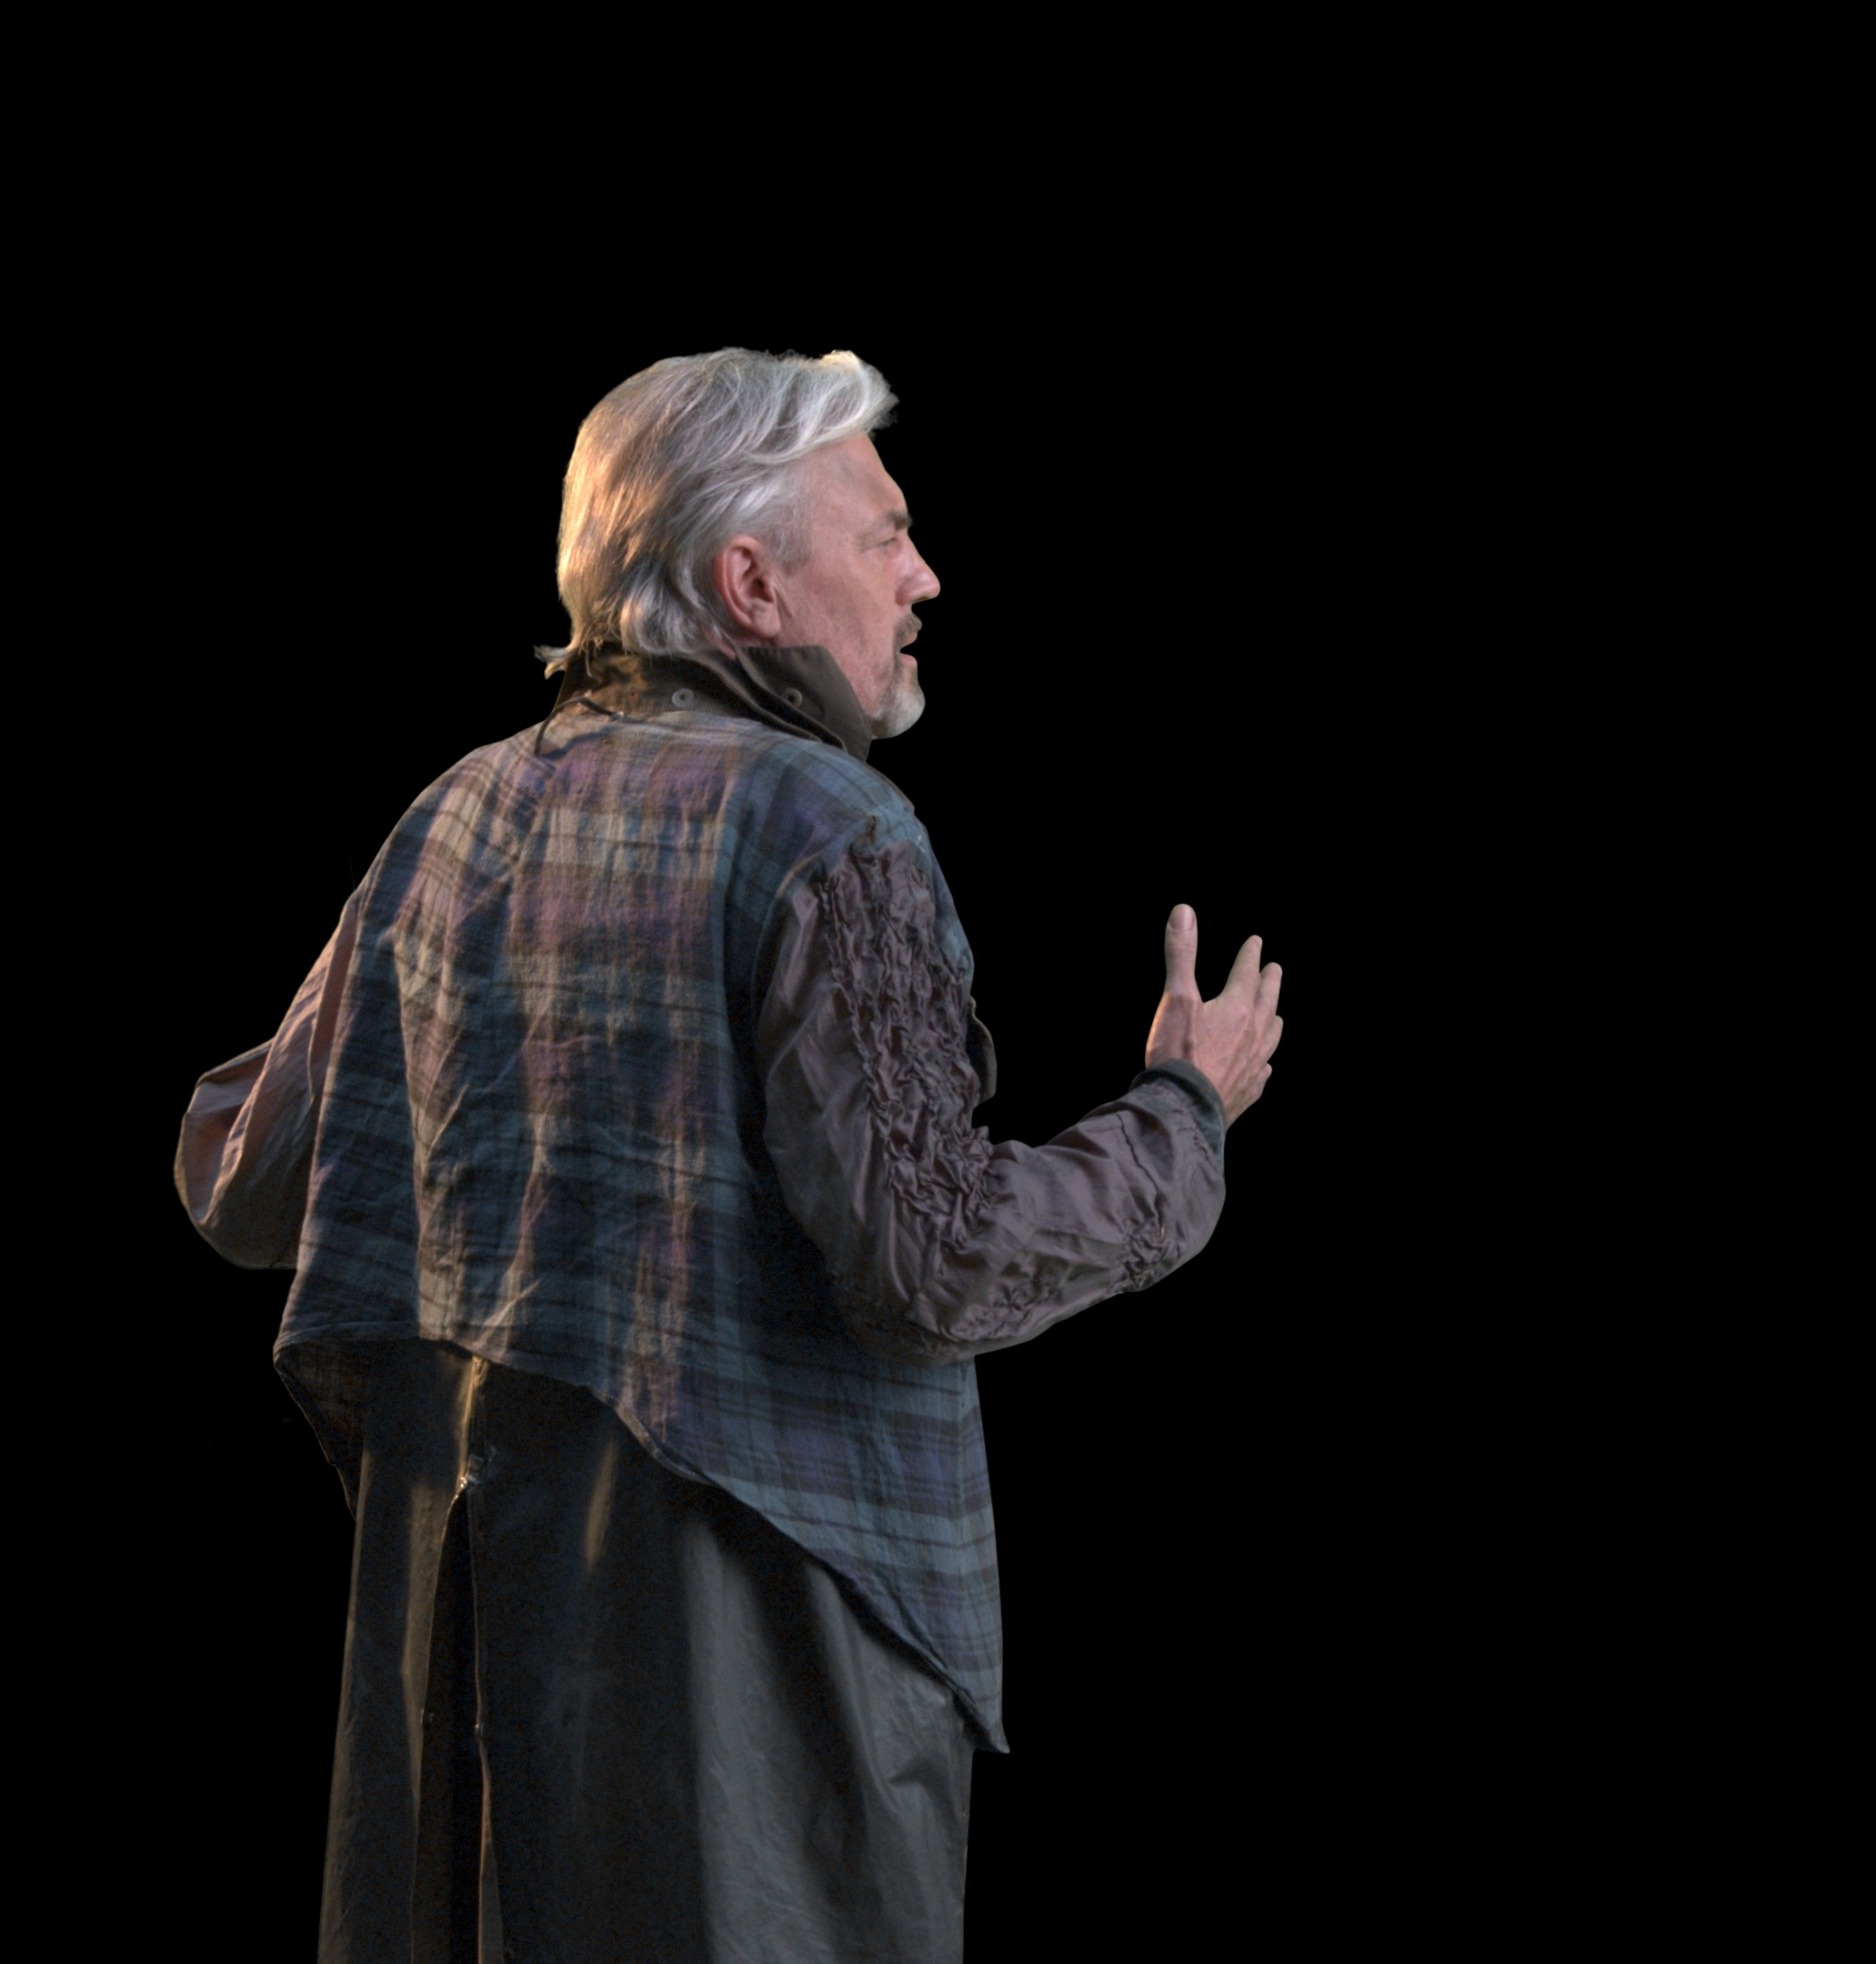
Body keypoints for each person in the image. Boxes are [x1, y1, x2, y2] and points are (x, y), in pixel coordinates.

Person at [174, 348, 1284, 1962]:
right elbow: (937, 1261)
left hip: (470, 1651)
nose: (923, 576)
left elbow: (243, 1180)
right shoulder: (825, 827)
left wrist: (471, 1023)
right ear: (750, 585)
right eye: (885, 535)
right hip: (752, 1678)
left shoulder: (455, 819)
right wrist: (1181, 1113)